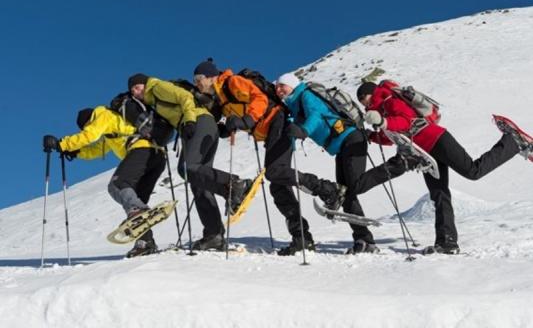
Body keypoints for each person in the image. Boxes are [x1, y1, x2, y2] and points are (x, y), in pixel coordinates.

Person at [193, 59, 348, 256]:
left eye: (199, 79)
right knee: (277, 184)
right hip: (270, 129)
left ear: (211, 76)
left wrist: (246, 120)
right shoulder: (222, 98)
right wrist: (227, 128)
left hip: (278, 121)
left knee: (276, 171)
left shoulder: (232, 82)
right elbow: (239, 117)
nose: (197, 83)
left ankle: (329, 189)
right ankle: (302, 238)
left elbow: (259, 99)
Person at [357, 81, 533, 254]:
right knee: (439, 194)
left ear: (371, 93)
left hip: (437, 140)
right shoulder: (381, 111)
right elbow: (393, 135)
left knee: (472, 171)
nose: (363, 102)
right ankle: (447, 242)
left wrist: (383, 122)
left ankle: (512, 142)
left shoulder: (389, 100)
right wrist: (373, 135)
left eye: (363, 97)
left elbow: (406, 121)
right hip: (423, 153)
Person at [276, 73, 419, 254]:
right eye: (277, 87)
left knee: (355, 186)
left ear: (292, 85)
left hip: (351, 138)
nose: (279, 90)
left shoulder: (305, 94)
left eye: (283, 85)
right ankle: (363, 240)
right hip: (341, 146)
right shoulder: (294, 105)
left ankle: (402, 163)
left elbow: (316, 115)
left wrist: (303, 130)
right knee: (345, 194)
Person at [128, 73, 253, 251]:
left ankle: (234, 184)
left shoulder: (155, 86)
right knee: (199, 182)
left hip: (198, 122)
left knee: (187, 168)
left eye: (137, 87)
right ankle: (214, 234)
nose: (136, 92)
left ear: (144, 83)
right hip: (205, 126)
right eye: (132, 90)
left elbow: (184, 96)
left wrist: (188, 121)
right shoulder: (153, 101)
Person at [43, 104, 166, 257]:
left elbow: (89, 136)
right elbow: (96, 149)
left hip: (142, 150)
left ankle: (139, 213)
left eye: (87, 126)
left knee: (117, 185)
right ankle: (145, 242)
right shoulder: (110, 131)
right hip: (156, 157)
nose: (89, 128)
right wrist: (76, 152)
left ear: (89, 121)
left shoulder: (103, 115)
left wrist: (61, 144)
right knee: (135, 198)